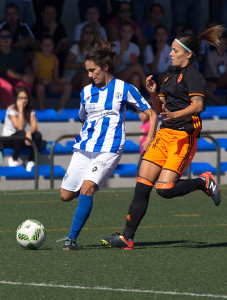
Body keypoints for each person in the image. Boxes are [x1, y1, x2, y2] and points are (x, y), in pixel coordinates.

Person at [101, 25, 224, 250]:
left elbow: (198, 106)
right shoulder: (166, 76)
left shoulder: (194, 76)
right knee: (142, 185)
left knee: (165, 189)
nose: (170, 53)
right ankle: (127, 237)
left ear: (188, 54)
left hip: (183, 138)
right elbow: (160, 109)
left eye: (175, 50)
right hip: (164, 134)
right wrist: (151, 93)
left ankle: (202, 182)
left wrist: (175, 114)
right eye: (171, 49)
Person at [58, 40, 158, 251]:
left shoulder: (124, 88)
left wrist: (150, 137)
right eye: (87, 71)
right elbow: (83, 118)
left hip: (109, 149)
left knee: (87, 188)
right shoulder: (85, 92)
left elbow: (151, 113)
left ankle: (71, 239)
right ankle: (86, 192)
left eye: (92, 70)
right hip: (84, 148)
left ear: (105, 68)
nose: (89, 75)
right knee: (66, 195)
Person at [1, 86, 42, 171]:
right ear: (16, 98)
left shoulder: (30, 110)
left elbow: (34, 125)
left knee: (37, 135)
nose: (24, 100)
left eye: (25, 98)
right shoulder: (11, 109)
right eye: (21, 98)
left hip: (21, 138)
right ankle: (14, 159)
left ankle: (30, 160)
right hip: (8, 138)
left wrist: (30, 132)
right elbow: (19, 127)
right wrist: (20, 110)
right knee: (21, 134)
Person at [32, 35, 72, 111]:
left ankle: (59, 111)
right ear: (41, 46)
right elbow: (34, 76)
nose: (47, 47)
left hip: (50, 84)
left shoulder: (55, 58)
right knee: (40, 87)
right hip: (38, 84)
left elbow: (55, 76)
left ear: (53, 46)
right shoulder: (36, 57)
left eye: (50, 45)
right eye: (45, 45)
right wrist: (42, 81)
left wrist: (60, 80)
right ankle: (43, 110)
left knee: (68, 87)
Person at [0, 28, 34, 108]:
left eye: (8, 36)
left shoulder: (17, 51)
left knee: (25, 84)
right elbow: (6, 71)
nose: (6, 38)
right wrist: (22, 77)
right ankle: (12, 111)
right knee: (7, 88)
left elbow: (25, 66)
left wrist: (29, 74)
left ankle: (24, 110)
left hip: (17, 78)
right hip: (2, 78)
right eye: (2, 36)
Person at [113, 21, 147, 92]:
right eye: (124, 32)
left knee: (135, 77)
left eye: (129, 32)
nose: (126, 34)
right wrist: (122, 50)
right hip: (115, 77)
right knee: (137, 66)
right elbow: (114, 67)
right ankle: (151, 92)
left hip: (128, 76)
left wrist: (133, 62)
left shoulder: (135, 47)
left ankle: (135, 100)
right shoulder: (114, 46)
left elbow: (135, 67)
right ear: (120, 32)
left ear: (132, 33)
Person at [63, 24, 97, 91]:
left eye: (91, 32)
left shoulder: (95, 50)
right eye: (86, 32)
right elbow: (66, 65)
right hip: (72, 79)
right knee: (85, 76)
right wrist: (82, 65)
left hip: (90, 79)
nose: (88, 35)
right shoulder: (76, 47)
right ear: (82, 35)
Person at [204, 33, 227, 106]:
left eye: (224, 44)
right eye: (220, 44)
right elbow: (214, 74)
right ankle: (220, 105)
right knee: (212, 86)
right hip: (211, 79)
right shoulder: (210, 56)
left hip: (223, 80)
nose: (222, 46)